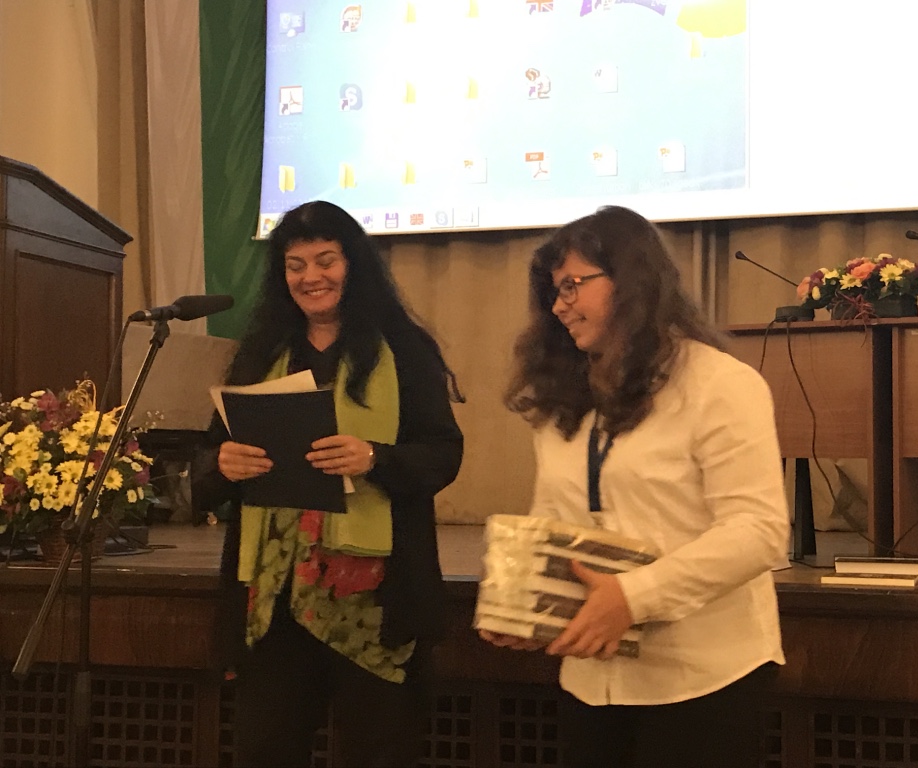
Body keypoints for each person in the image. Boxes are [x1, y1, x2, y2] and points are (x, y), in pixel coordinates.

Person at [481, 205, 789, 768]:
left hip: (702, 677)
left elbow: (758, 532)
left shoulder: (720, 384)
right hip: (591, 679)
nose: (559, 306)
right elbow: (555, 522)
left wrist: (632, 598)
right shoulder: (561, 397)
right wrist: (528, 605)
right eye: (553, 291)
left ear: (631, 281)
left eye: (572, 285)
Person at [194, 200, 464, 768]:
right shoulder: (262, 353)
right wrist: (223, 463)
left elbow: (443, 454)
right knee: (264, 751)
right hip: (274, 600)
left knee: (377, 753)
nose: (310, 277)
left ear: (353, 265)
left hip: (372, 599)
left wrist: (374, 457)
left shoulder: (403, 350)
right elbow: (206, 464)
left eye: (326, 261)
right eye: (295, 265)